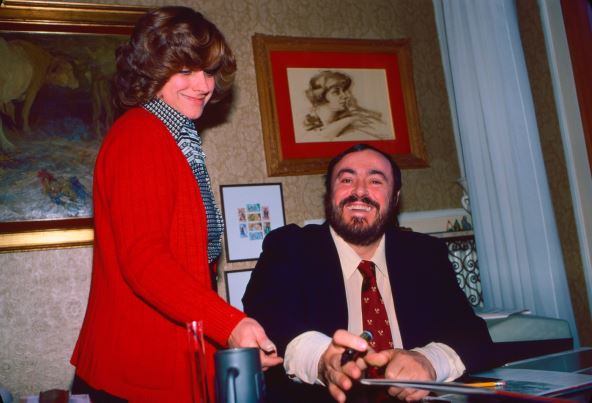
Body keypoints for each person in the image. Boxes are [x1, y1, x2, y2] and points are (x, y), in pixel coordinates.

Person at [70, 7, 282, 402]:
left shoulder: (174, 136)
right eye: (185, 70)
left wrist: (225, 339)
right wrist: (230, 325)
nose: (203, 84)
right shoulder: (140, 135)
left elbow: (189, 267)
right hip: (138, 373)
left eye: (209, 71)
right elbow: (145, 260)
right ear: (151, 71)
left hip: (163, 363)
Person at [243, 143, 495, 402]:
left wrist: (429, 361)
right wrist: (323, 359)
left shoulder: (425, 254)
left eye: (375, 181)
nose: (360, 191)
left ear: (395, 197)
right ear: (329, 194)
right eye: (347, 179)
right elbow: (268, 319)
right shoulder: (290, 248)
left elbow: (472, 335)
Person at [301, 71, 392, 142]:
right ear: (320, 96)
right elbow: (323, 137)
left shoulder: (355, 126)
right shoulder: (312, 132)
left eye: (344, 90)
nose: (345, 96)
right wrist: (351, 119)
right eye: (336, 92)